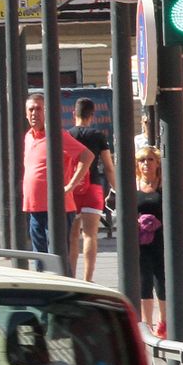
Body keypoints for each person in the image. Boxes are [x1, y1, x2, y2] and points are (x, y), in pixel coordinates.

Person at [22, 92, 93, 258]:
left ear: (46, 112)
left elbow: (87, 156)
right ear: (26, 114)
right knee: (40, 257)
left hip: (57, 208)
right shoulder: (28, 137)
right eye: (31, 110)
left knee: (57, 257)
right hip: (34, 207)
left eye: (38, 109)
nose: (34, 113)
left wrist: (71, 185)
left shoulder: (57, 135)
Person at [66, 97, 115, 282]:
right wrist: (116, 189)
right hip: (93, 187)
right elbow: (108, 167)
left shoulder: (68, 135)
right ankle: (88, 279)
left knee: (72, 237)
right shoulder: (98, 136)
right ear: (92, 115)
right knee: (90, 235)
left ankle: (71, 277)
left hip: (71, 189)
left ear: (74, 114)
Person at [134, 146, 166, 338]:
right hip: (141, 240)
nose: (146, 163)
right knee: (144, 280)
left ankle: (163, 322)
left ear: (157, 163)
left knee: (162, 279)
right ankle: (147, 323)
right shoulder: (134, 185)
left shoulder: (163, 185)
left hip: (161, 238)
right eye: (142, 160)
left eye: (150, 159)